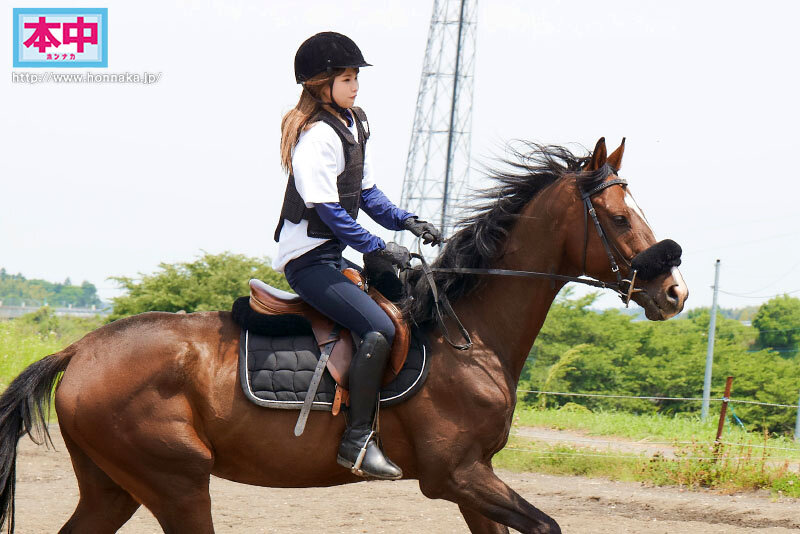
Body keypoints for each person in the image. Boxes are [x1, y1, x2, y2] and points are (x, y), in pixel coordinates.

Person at [272, 31, 443, 480]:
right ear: (319, 84)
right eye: (346, 79)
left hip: (332, 256)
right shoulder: (316, 138)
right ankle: (357, 442)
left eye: (355, 79)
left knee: (403, 301)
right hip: (309, 261)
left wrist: (407, 221)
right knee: (378, 328)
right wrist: (379, 245)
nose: (354, 86)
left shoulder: (352, 125)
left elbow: (363, 192)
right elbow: (328, 210)